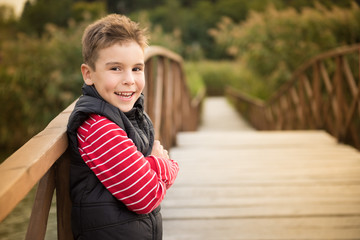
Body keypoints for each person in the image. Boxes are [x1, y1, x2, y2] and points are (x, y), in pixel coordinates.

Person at [66, 14, 179, 240]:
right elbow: (146, 197)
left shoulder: (126, 115)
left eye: (137, 69)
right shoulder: (98, 127)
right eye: (116, 68)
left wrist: (148, 169)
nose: (129, 79)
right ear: (88, 74)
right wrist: (163, 163)